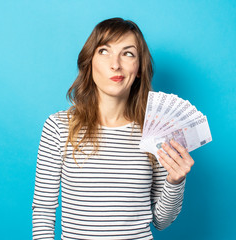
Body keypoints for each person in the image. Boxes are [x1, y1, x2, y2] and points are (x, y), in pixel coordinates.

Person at [32, 17, 194, 240]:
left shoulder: (155, 132)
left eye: (128, 53)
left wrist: (175, 181)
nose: (115, 64)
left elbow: (160, 222)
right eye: (104, 51)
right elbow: (43, 210)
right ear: (90, 62)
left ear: (138, 69)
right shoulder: (59, 127)